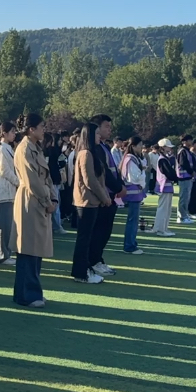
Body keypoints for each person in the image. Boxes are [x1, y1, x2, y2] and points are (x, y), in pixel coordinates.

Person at [13, 113, 55, 308]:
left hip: (38, 201)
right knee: (28, 249)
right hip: (30, 201)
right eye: (41, 126)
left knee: (35, 250)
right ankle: (27, 295)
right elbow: (32, 181)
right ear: (31, 129)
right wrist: (47, 200)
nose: (43, 130)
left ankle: (31, 291)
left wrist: (52, 197)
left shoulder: (35, 147)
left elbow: (46, 178)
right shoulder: (24, 149)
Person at [71, 123, 112, 284]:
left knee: (87, 238)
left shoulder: (90, 153)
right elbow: (90, 181)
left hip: (91, 201)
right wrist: (104, 197)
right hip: (86, 201)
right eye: (96, 134)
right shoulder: (85, 154)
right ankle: (81, 272)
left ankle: (84, 269)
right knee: (84, 239)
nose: (99, 137)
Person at [87, 114, 122, 278]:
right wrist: (118, 187)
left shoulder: (104, 147)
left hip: (110, 195)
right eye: (106, 126)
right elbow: (103, 173)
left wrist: (120, 185)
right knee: (99, 232)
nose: (110, 130)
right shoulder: (94, 149)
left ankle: (98, 259)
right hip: (103, 196)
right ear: (97, 128)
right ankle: (93, 261)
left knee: (105, 231)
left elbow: (114, 169)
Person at [0, 122, 19, 265]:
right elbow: (5, 170)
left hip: (9, 191)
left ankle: (4, 252)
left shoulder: (8, 148)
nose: (14, 134)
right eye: (12, 132)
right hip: (3, 191)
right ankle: (1, 254)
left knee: (7, 225)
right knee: (3, 225)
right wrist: (19, 182)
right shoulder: (1, 149)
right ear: (4, 133)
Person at [119, 136, 147, 256]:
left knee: (133, 220)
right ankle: (129, 246)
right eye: (140, 145)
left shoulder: (133, 158)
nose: (142, 147)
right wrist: (142, 177)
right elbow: (134, 177)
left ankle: (131, 244)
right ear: (133, 146)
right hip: (133, 193)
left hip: (134, 192)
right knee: (132, 221)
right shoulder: (130, 159)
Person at [152, 140, 178, 237]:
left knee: (166, 209)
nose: (170, 148)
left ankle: (162, 228)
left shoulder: (164, 158)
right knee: (163, 209)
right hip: (164, 186)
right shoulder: (162, 159)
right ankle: (160, 229)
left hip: (167, 186)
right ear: (162, 147)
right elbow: (169, 173)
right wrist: (176, 178)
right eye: (168, 146)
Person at [175, 135, 196, 223]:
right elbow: (183, 163)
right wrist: (191, 171)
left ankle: (184, 214)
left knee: (186, 197)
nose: (191, 142)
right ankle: (181, 217)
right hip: (183, 177)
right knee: (183, 197)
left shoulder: (187, 151)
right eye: (189, 140)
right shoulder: (182, 151)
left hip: (188, 176)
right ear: (184, 141)